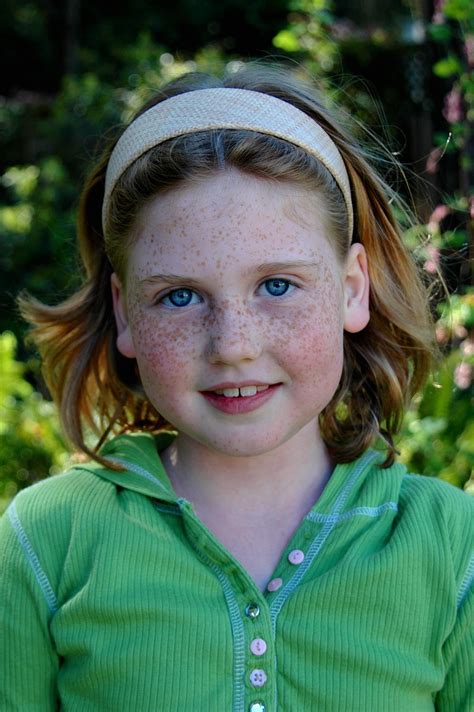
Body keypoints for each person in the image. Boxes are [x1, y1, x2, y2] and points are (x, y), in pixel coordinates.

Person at [0, 65, 472, 712]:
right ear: (125, 312)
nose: (233, 344)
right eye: (180, 296)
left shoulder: (453, 546)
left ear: (353, 287)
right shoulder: (45, 542)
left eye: (277, 285)